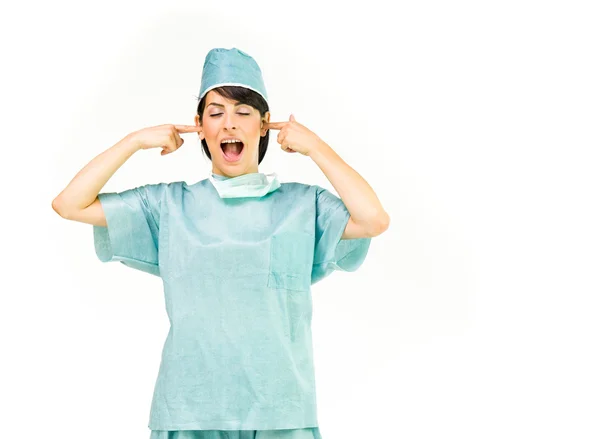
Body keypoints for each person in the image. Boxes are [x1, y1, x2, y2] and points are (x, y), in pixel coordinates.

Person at [52, 47, 390, 439]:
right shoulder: (168, 206)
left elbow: (373, 219)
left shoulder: (303, 205)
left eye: (243, 112)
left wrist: (316, 147)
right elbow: (69, 203)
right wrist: (134, 141)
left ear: (265, 126)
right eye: (216, 113)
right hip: (190, 412)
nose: (229, 124)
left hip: (280, 412)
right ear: (199, 126)